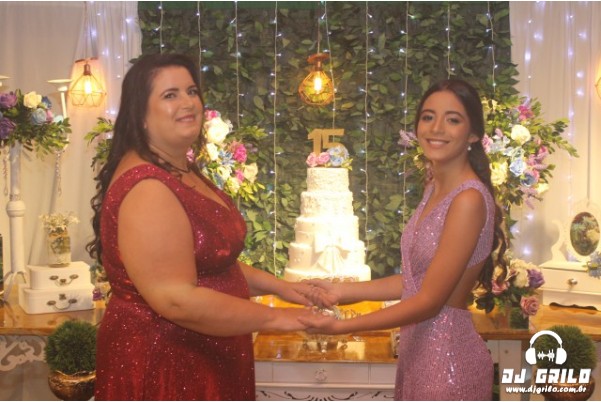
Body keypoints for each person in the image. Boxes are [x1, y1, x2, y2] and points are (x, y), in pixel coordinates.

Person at [86, 53, 319, 400]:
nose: (188, 102)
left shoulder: (178, 168)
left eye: (191, 91)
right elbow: (177, 300)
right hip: (167, 362)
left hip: (204, 353)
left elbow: (211, 260)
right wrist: (282, 319)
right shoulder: (148, 188)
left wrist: (283, 288)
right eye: (170, 95)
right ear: (141, 115)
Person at [301, 79, 508, 400]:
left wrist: (341, 327)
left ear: (472, 134)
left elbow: (429, 302)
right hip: (420, 355)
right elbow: (415, 281)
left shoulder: (468, 200)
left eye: (453, 119)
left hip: (448, 363)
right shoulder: (434, 186)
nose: (436, 128)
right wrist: (341, 291)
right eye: (428, 117)